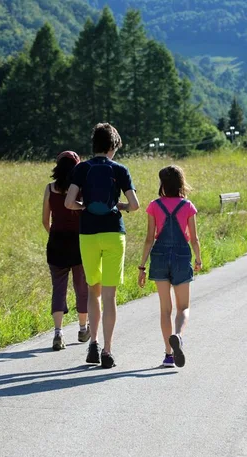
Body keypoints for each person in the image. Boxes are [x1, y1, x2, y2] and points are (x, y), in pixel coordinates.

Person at [65, 123, 139, 368]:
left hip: (87, 234)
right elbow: (135, 204)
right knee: (110, 296)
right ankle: (107, 351)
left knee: (93, 292)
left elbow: (68, 203)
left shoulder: (81, 169)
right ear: (112, 146)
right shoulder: (120, 170)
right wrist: (120, 207)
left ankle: (93, 344)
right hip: (113, 234)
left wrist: (84, 206)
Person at [138, 165, 202, 368]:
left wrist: (142, 266)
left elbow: (149, 239)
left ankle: (168, 355)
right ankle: (179, 337)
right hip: (182, 257)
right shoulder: (188, 206)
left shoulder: (154, 206)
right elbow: (194, 238)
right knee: (183, 307)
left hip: (159, 256)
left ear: (163, 184)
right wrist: (198, 259)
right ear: (181, 183)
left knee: (165, 309)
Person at [42, 151, 89, 351]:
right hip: (79, 242)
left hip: (56, 242)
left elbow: (45, 220)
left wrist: (54, 233)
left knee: (58, 288)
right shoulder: (80, 189)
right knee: (81, 287)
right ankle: (82, 328)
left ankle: (58, 333)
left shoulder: (50, 188)